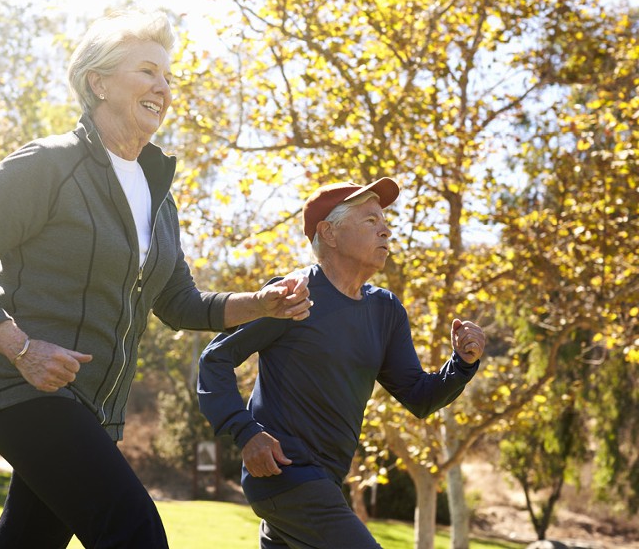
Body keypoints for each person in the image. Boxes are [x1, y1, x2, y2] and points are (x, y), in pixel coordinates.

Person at [0, 9, 311, 549]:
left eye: (168, 77)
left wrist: (262, 303)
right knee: (135, 534)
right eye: (148, 71)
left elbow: (178, 303)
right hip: (23, 390)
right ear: (98, 82)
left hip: (95, 410)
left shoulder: (158, 196)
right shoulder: (47, 165)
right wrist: (22, 348)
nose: (163, 87)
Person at [197, 178, 486, 549]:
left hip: (324, 483)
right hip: (285, 476)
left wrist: (461, 364)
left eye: (385, 221)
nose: (386, 229)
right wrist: (246, 433)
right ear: (329, 233)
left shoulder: (385, 310)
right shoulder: (291, 295)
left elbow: (419, 396)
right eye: (370, 221)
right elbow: (214, 359)